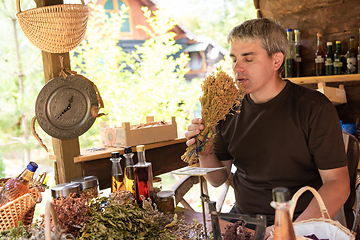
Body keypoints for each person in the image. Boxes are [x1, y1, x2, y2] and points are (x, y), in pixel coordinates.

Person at [185, 18, 350, 238]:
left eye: (248, 59)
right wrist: (206, 154)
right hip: (243, 224)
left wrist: (289, 230)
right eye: (234, 58)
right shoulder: (229, 110)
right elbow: (217, 179)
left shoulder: (314, 108)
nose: (236, 67)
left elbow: (338, 184)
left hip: (300, 223)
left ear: (276, 61)